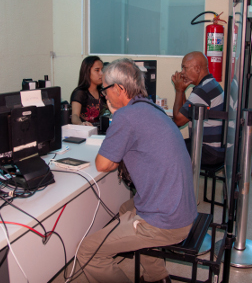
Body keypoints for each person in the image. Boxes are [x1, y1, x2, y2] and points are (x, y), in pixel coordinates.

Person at [76, 58, 197, 283]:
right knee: (125, 208)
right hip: (183, 208)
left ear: (119, 89)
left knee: (87, 252)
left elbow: (104, 164)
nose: (104, 96)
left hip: (167, 221)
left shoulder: (126, 116)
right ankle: (156, 277)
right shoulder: (151, 107)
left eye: (105, 91)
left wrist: (115, 115)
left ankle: (149, 267)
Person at [171, 51, 225, 166]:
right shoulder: (210, 84)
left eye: (184, 68)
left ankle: (175, 183)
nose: (182, 72)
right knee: (174, 143)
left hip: (209, 152)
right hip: (218, 149)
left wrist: (179, 91)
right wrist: (183, 91)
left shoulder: (202, 91)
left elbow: (178, 121)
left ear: (197, 68)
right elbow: (187, 112)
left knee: (167, 146)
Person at [70, 56, 107, 126]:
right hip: (86, 131)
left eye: (102, 70)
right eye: (97, 70)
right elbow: (74, 116)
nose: (101, 74)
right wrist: (81, 124)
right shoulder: (80, 92)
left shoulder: (102, 92)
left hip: (100, 132)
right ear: (87, 72)